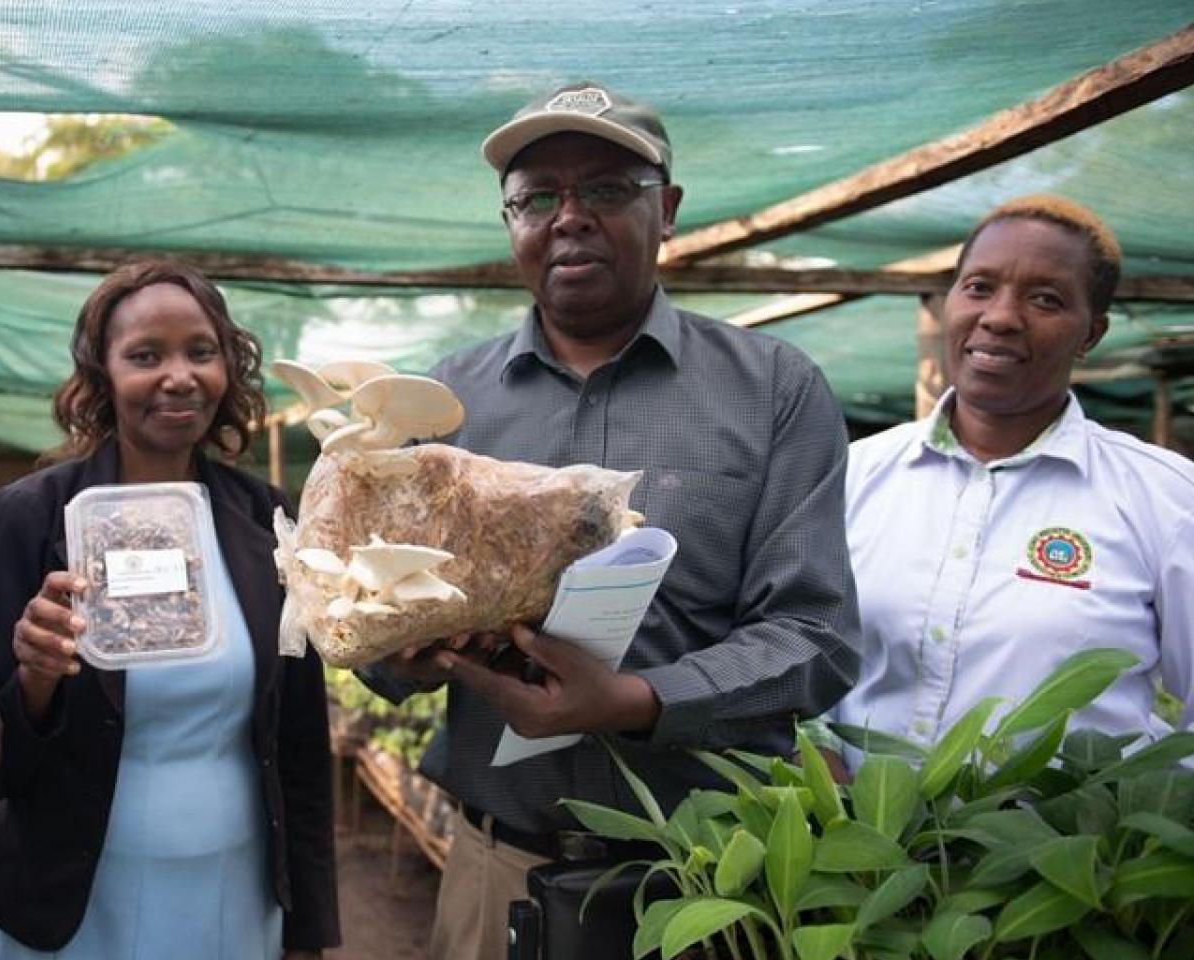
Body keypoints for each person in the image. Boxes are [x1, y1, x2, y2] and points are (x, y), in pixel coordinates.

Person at [359, 81, 860, 960]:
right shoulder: (446, 402)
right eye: (537, 197)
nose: (569, 217)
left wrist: (634, 702)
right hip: (494, 871)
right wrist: (398, 652)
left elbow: (814, 637)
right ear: (509, 222)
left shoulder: (773, 389)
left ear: (665, 209)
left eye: (605, 189)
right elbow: (384, 620)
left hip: (707, 882)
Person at [0, 259, 340, 960]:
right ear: (102, 374)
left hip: (233, 893)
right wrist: (37, 675)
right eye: (145, 356)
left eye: (201, 352)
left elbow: (298, 738)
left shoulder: (268, 520)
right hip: (74, 905)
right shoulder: (30, 518)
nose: (179, 376)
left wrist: (309, 929)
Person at [832, 195, 1192, 756]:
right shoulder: (854, 475)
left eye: (1045, 299)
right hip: (853, 835)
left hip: (1062, 840)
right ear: (951, 300)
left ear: (1091, 332)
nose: (999, 317)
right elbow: (796, 659)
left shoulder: (1164, 497)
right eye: (978, 287)